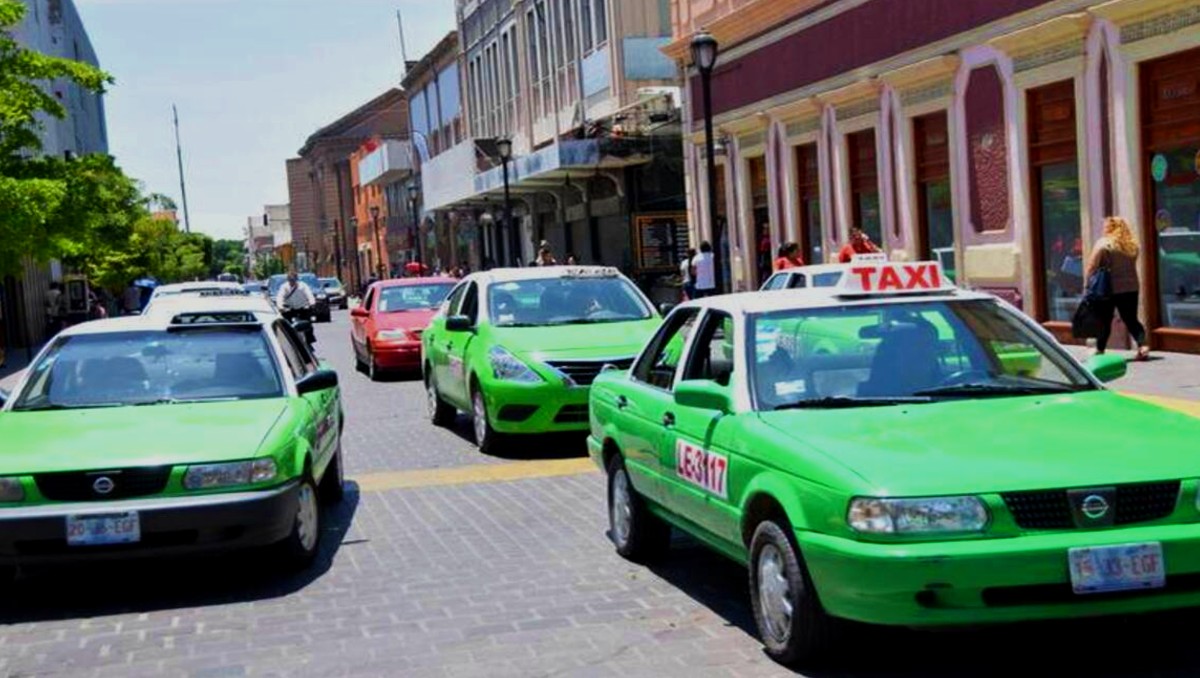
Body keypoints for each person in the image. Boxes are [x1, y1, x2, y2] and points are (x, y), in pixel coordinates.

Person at [1086, 216, 1149, 360]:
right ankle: (1142, 345)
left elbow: (1092, 265)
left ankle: (1100, 349)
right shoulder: (1131, 246)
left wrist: (1087, 283)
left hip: (1107, 288)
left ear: (1109, 228)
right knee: (1131, 319)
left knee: (1104, 319)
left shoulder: (1104, 244)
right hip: (1131, 287)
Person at [276, 272, 317, 345]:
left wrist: (312, 303)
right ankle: (289, 339)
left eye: (293, 280)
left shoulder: (303, 286)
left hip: (302, 307)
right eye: (290, 280)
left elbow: (309, 294)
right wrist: (280, 307)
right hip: (290, 309)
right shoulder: (284, 287)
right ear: (288, 280)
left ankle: (309, 339)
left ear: (296, 279)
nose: (292, 282)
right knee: (286, 324)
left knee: (307, 323)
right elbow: (280, 297)